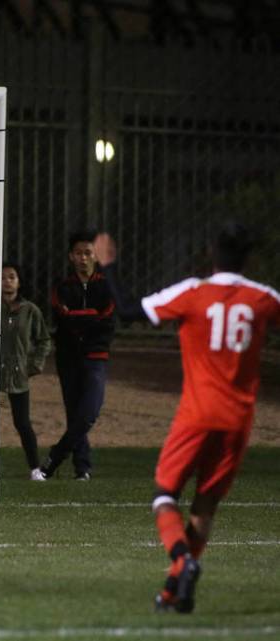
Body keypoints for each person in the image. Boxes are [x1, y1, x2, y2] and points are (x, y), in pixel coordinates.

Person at [94, 222, 279, 613]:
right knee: (205, 506)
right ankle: (173, 590)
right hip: (239, 422)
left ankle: (182, 563)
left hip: (197, 415)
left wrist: (108, 265)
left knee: (164, 496)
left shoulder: (193, 293)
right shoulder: (264, 298)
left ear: (210, 255)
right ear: (248, 260)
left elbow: (127, 311)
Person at [39, 231, 115, 481]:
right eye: (79, 253)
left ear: (96, 255)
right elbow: (64, 316)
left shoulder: (106, 286)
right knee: (74, 413)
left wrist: (81, 316)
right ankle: (82, 468)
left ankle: (55, 456)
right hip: (68, 357)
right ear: (71, 256)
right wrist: (89, 316)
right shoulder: (61, 286)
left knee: (89, 411)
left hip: (96, 355)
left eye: (88, 252)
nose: (83, 258)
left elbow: (107, 317)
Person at [0, 263, 52, 480]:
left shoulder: (30, 310)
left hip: (19, 375)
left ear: (19, 281)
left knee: (22, 422)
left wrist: (35, 365)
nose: (7, 281)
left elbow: (44, 340)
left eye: (12, 277)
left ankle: (34, 468)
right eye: (2, 277)